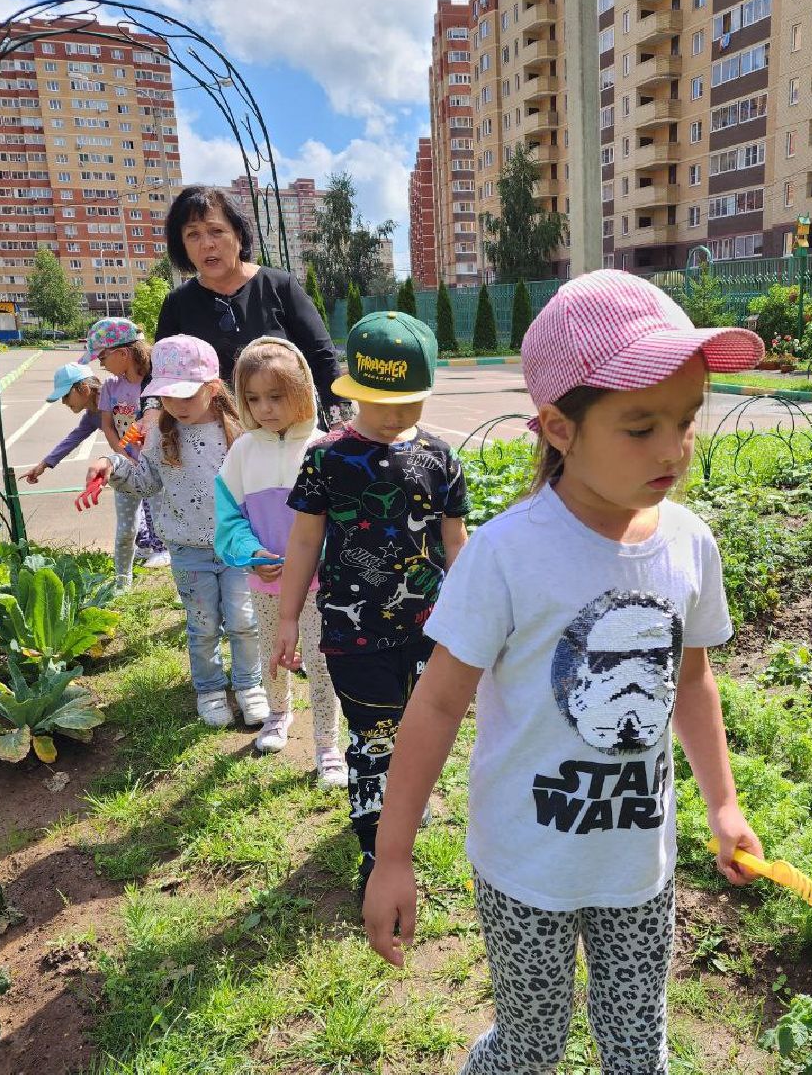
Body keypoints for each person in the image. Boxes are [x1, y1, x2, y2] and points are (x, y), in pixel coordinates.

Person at [362, 270, 766, 1074]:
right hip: (525, 870)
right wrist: (394, 855)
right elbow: (438, 705)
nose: (673, 449)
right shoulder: (507, 556)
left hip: (637, 867)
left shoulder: (689, 545)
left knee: (636, 1047)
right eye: (640, 426)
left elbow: (690, 682)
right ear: (559, 428)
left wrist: (722, 804)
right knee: (530, 1046)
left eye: (686, 421)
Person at [273, 311, 469, 894]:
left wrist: (474, 614)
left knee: (417, 728)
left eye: (408, 404)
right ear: (353, 390)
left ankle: (406, 796)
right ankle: (375, 853)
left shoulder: (440, 459)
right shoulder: (326, 458)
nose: (392, 417)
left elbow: (454, 540)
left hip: (429, 626)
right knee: (373, 737)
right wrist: (287, 617)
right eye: (378, 402)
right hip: (351, 631)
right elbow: (305, 538)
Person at [83, 334, 266, 729]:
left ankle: (250, 684)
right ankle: (210, 689)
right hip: (187, 549)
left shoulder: (240, 433)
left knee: (244, 621)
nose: (176, 405)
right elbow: (145, 481)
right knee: (202, 625)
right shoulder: (159, 434)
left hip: (238, 549)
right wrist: (110, 466)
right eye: (168, 396)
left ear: (213, 388)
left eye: (187, 395)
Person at [214, 336, 345, 782]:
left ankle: (328, 743)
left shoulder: (325, 448)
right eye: (253, 398)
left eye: (276, 396)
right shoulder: (242, 452)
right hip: (266, 581)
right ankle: (278, 713)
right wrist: (249, 553)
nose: (265, 408)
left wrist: (327, 559)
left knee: (324, 660)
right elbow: (228, 515)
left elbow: (345, 520)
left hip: (322, 584)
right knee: (273, 652)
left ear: (303, 390)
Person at [154, 184, 344, 422]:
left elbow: (322, 356)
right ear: (182, 245)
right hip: (218, 437)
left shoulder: (280, 286)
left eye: (216, 231)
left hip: (288, 431)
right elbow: (161, 372)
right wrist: (150, 413)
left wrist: (338, 419)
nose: (207, 244)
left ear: (238, 234)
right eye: (193, 235)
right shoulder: (177, 303)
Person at [23, 360, 154, 590]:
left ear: (83, 389)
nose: (64, 402)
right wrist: (44, 464)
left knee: (163, 523)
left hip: (152, 466)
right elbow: (74, 437)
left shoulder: (117, 393)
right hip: (124, 469)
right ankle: (123, 584)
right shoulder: (93, 415)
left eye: (66, 396)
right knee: (126, 528)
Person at [81, 317, 169, 571]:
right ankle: (128, 570)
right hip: (125, 462)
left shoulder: (154, 385)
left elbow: (144, 424)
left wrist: (131, 452)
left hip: (154, 463)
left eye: (102, 358)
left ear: (122, 353)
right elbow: (108, 425)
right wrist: (121, 452)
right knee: (127, 524)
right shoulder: (110, 387)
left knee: (161, 517)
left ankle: (167, 560)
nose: (102, 365)